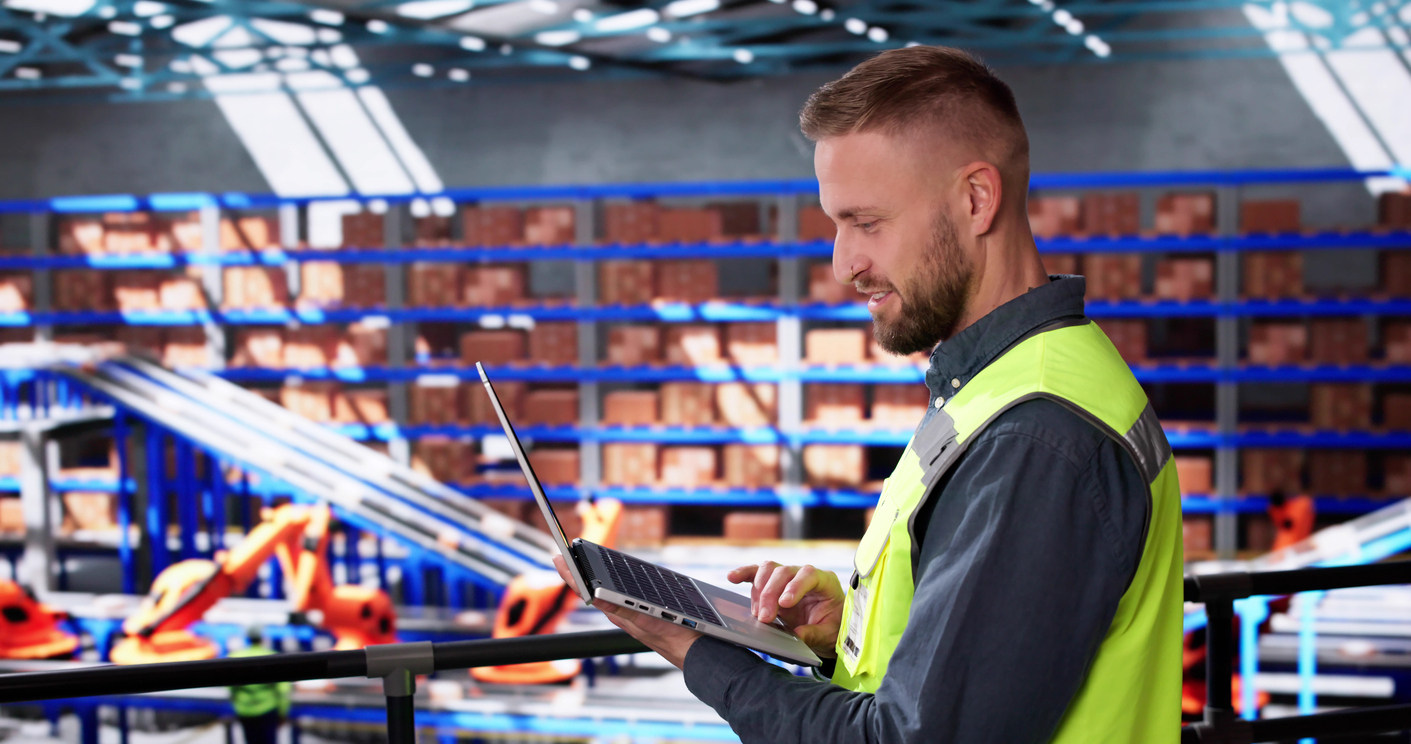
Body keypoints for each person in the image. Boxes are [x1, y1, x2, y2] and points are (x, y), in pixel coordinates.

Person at [555, 44, 1184, 743]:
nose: (842, 264)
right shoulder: (1015, 381)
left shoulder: (1033, 438)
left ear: (975, 199)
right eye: (836, 224)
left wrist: (703, 657)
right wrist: (844, 632)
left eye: (866, 222)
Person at [228, 629, 290, 744]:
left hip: (244, 710)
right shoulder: (273, 656)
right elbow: (283, 690)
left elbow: (230, 688)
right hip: (268, 709)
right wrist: (283, 712)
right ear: (262, 638)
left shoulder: (235, 656)